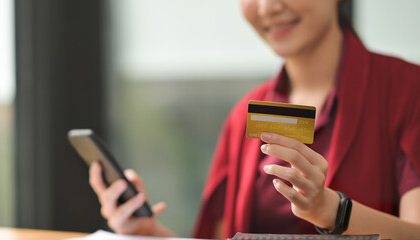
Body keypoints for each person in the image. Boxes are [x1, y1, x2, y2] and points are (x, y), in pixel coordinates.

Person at [89, 0, 420, 239]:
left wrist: (332, 210)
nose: (266, 7)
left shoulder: (408, 91)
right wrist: (148, 232)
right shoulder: (244, 113)